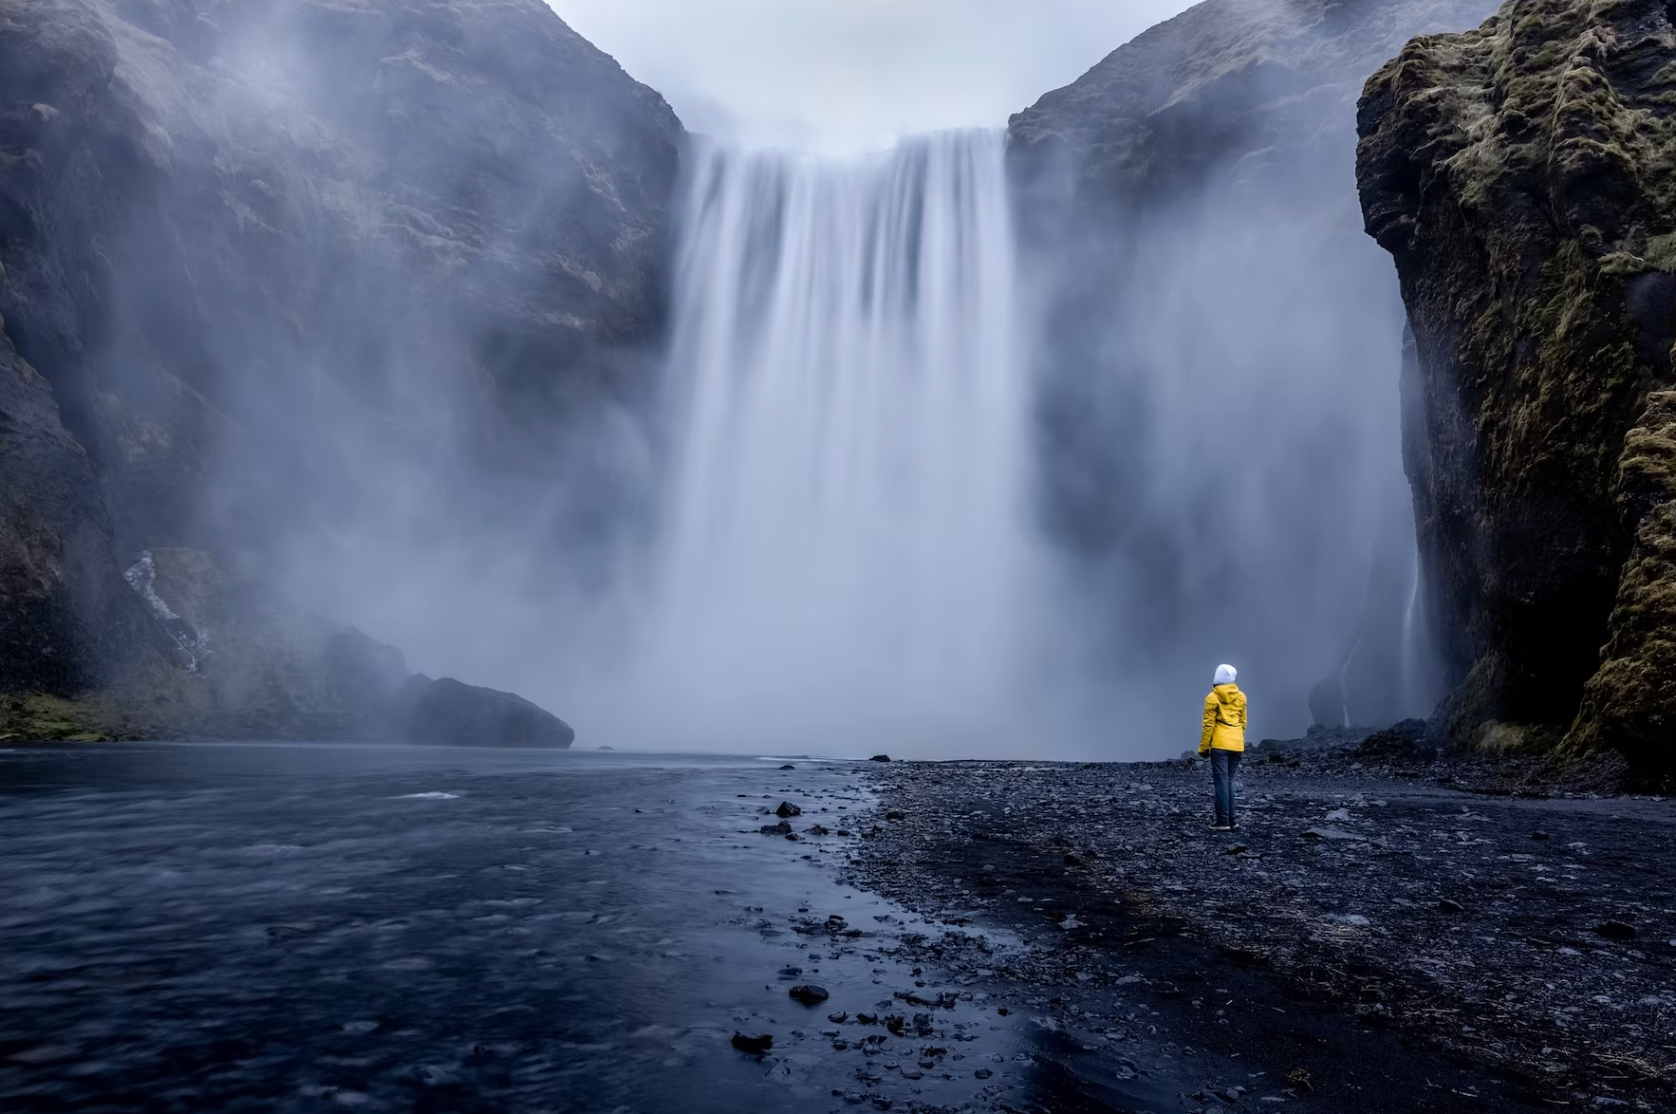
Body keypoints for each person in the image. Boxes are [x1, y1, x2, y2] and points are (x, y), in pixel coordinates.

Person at [1198, 663, 1247, 831]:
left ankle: (1223, 821)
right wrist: (1238, 738)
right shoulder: (1241, 697)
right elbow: (1243, 722)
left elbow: (1208, 725)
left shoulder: (1212, 698)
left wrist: (1204, 748)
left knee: (1221, 783)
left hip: (1220, 745)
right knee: (1229, 781)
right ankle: (1232, 820)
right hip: (1237, 744)